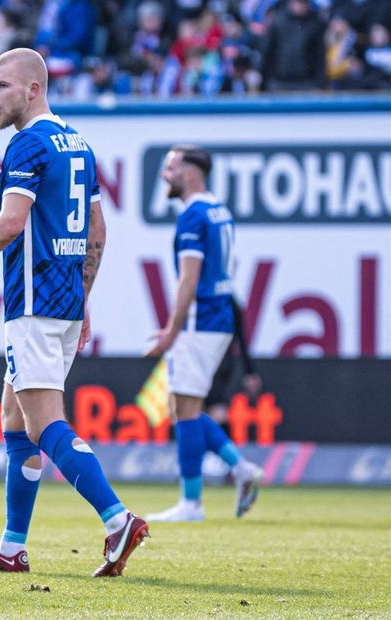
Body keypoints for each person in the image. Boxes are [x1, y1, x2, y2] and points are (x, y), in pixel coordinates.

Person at [0, 48, 148, 578]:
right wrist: (83, 296)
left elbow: (10, 223)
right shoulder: (78, 145)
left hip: (34, 303)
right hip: (64, 301)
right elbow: (97, 230)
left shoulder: (28, 143)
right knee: (14, 421)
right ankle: (12, 546)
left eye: (0, 85)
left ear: (32, 90)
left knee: (45, 425)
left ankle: (117, 520)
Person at [144, 145, 263, 522]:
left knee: (185, 412)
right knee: (184, 409)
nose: (165, 174)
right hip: (218, 321)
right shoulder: (219, 210)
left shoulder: (193, 216)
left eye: (171, 167)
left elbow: (189, 278)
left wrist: (170, 330)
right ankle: (240, 468)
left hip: (200, 322)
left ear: (191, 173)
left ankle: (191, 503)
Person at [204, 297, 261, 431]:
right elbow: (241, 338)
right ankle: (219, 449)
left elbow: (241, 337)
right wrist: (250, 371)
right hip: (214, 362)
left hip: (214, 363)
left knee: (215, 409)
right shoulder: (228, 300)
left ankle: (223, 450)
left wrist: (250, 372)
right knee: (205, 410)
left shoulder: (221, 300)